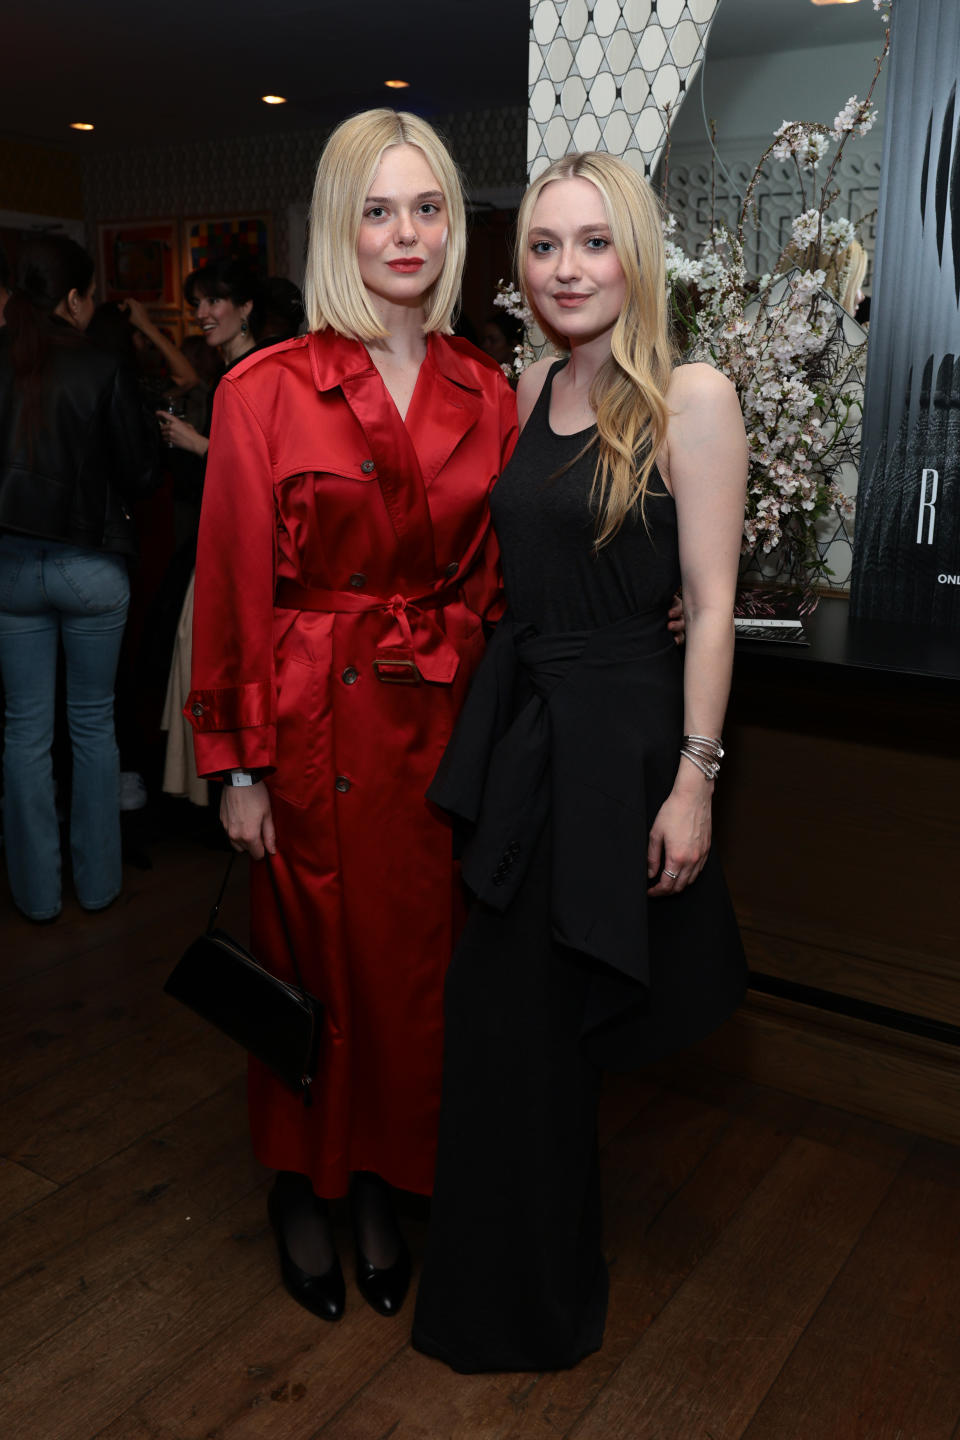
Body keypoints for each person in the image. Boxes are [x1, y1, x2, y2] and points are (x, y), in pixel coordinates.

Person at [412, 152, 749, 1372]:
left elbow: (709, 607)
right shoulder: (530, 384)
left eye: (594, 242)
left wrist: (695, 778)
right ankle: (502, 1292)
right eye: (546, 246)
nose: (568, 267)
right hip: (527, 731)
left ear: (637, 256)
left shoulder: (691, 397)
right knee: (504, 1027)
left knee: (547, 1034)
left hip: (618, 750)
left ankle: (537, 1307)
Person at [184, 110, 517, 1324]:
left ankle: (375, 1181)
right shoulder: (264, 388)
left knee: (410, 979)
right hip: (311, 729)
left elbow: (498, 580)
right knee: (310, 968)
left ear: (454, 226)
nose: (406, 233)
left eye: (427, 207)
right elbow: (227, 587)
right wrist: (236, 768)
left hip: (439, 730)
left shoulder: (486, 388)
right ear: (339, 226)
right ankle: (296, 1183)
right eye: (377, 209)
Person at [0, 235, 157, 920]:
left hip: (9, 569)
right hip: (90, 566)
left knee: (24, 731)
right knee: (93, 728)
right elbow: (144, 473)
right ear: (71, 298)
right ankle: (97, 885)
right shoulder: (102, 364)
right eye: (90, 294)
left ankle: (36, 896)